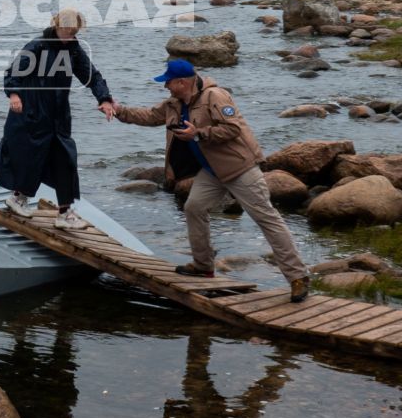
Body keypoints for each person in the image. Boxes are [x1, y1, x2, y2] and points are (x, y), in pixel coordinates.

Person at [113, 58, 312, 301]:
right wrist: (118, 110)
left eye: (168, 82)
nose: (165, 87)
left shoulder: (215, 96)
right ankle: (203, 266)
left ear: (183, 82)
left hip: (240, 168)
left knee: (266, 219)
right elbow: (148, 116)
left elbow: (232, 129)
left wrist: (198, 134)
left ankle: (298, 277)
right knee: (194, 207)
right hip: (212, 171)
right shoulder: (175, 104)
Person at [0, 9, 117, 230]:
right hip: (32, 110)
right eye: (67, 31)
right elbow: (12, 72)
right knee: (31, 157)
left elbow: (92, 76)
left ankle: (65, 213)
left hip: (58, 114)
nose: (70, 35)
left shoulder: (74, 50)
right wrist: (14, 94)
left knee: (65, 159)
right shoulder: (38, 46)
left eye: (74, 32)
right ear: (57, 26)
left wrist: (104, 98)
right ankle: (18, 198)